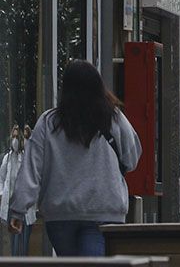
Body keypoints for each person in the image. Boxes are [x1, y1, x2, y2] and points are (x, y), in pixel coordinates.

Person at [7, 60, 141, 257]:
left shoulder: (48, 122)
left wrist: (18, 209)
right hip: (102, 211)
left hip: (60, 215)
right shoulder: (113, 118)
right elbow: (132, 157)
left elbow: (31, 169)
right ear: (98, 86)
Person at [0, 126, 35, 256]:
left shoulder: (29, 158)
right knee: (14, 243)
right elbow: (2, 178)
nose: (15, 140)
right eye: (13, 137)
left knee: (24, 243)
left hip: (25, 206)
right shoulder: (7, 158)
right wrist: (3, 194)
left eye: (19, 137)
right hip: (11, 205)